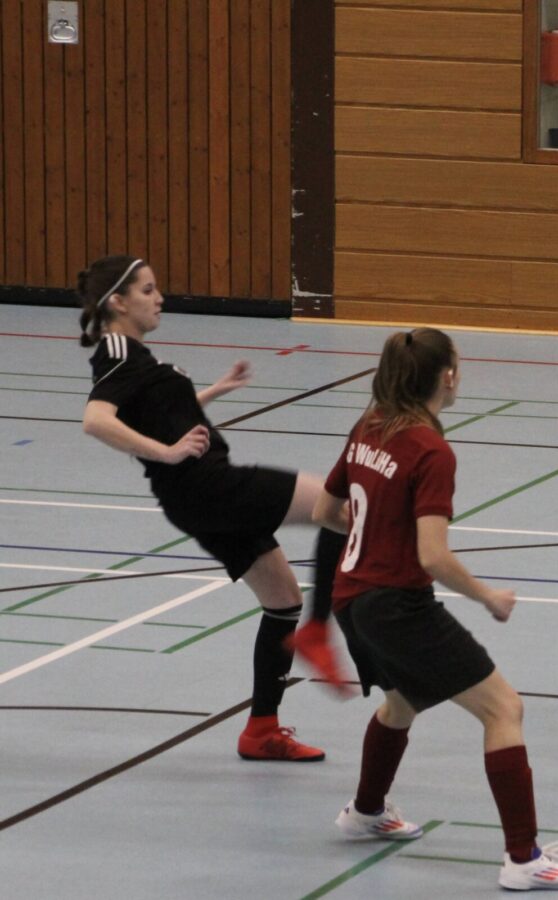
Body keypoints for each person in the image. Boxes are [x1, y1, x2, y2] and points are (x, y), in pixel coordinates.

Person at [312, 328, 558, 891]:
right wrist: (487, 596)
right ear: (447, 376)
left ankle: (366, 811)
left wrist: (379, 533)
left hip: (350, 600)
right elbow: (433, 557)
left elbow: (325, 511)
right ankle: (523, 859)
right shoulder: (430, 450)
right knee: (504, 709)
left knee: (402, 701)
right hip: (397, 605)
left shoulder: (369, 426)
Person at [77, 255, 349, 761]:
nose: (159, 298)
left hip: (196, 498)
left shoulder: (137, 356)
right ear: (118, 302)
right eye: (147, 290)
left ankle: (261, 732)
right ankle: (317, 631)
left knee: (282, 599)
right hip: (209, 486)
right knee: (341, 508)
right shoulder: (117, 349)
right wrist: (167, 453)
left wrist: (213, 391)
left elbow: (156, 412)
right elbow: (96, 419)